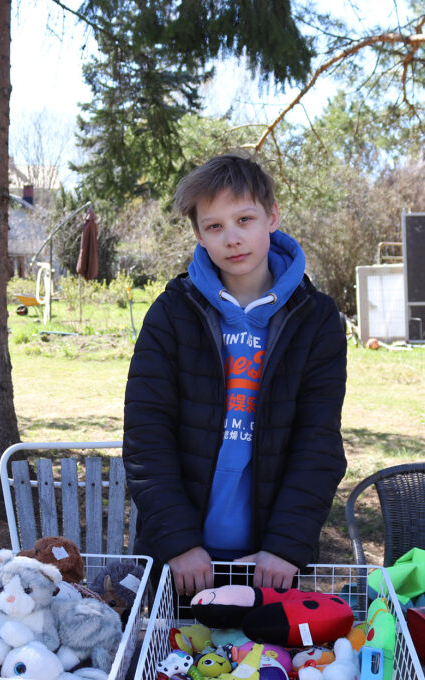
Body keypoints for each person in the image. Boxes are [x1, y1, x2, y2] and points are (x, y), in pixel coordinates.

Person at [123, 151, 347, 596]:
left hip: (270, 562)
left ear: (272, 217)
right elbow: (147, 438)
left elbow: (317, 442)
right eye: (215, 226)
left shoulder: (316, 318)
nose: (233, 238)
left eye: (245, 219)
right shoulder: (171, 313)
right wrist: (179, 542)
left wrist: (285, 546)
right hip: (182, 562)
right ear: (198, 235)